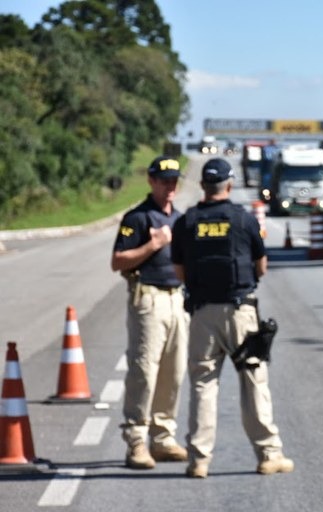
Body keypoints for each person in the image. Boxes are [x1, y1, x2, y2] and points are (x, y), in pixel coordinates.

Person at [170, 157, 293, 479]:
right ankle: (269, 455)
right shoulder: (243, 219)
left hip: (202, 314)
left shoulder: (186, 222)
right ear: (229, 184)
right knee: (253, 381)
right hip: (240, 312)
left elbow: (179, 271)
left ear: (203, 186)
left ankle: (199, 460)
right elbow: (261, 266)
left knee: (203, 384)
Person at [111, 155, 189, 469]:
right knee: (144, 370)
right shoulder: (138, 218)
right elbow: (118, 261)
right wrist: (152, 245)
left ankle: (163, 436)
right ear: (151, 181)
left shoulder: (180, 219)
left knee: (174, 370)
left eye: (174, 181)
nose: (170, 186)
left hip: (176, 298)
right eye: (164, 180)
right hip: (148, 297)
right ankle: (136, 440)